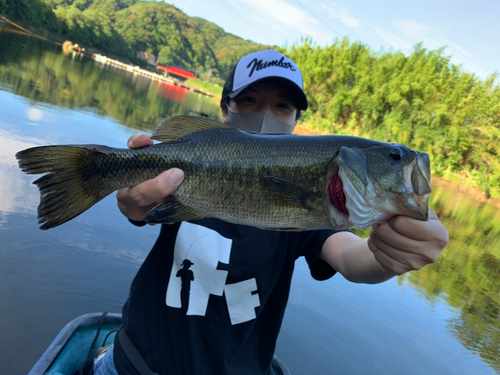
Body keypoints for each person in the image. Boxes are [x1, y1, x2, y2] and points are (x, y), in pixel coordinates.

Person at [94, 50, 449, 375]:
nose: (266, 114)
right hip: (132, 363)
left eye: (282, 106)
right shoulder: (189, 163)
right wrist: (131, 202)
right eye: (248, 101)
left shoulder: (318, 208)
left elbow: (350, 257)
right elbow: (141, 207)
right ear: (224, 109)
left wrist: (389, 259)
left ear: (296, 119)